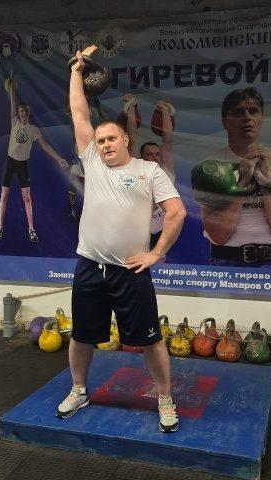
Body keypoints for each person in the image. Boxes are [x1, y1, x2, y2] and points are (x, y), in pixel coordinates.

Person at [57, 45, 186, 433]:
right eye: (100, 141)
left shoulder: (149, 171)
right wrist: (76, 72)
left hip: (130, 272)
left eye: (111, 138)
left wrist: (155, 253)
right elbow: (80, 113)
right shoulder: (92, 162)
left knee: (150, 340)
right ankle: (79, 390)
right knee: (82, 336)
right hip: (89, 267)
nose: (106, 145)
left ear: (125, 139)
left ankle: (165, 398)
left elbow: (177, 212)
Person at [196, 88, 271, 268]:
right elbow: (218, 236)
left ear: (261, 119)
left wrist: (266, 179)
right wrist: (242, 184)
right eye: (238, 112)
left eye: (253, 111)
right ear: (225, 121)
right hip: (226, 263)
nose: (247, 117)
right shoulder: (210, 168)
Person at [0, 76, 69, 243]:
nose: (23, 113)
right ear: (19, 113)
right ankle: (0, 228)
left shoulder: (34, 130)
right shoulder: (14, 122)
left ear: (29, 113)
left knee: (27, 197)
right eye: (21, 111)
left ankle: (31, 229)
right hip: (10, 162)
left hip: (22, 164)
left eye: (26, 111)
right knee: (4, 195)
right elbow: (12, 104)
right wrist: (12, 90)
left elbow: (45, 145)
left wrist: (58, 159)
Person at [122, 94, 176, 250]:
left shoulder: (166, 171)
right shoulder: (136, 167)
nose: (155, 157)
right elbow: (132, 136)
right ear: (142, 157)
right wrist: (131, 106)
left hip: (160, 233)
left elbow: (167, 140)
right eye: (150, 154)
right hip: (136, 233)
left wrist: (164, 110)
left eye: (157, 154)